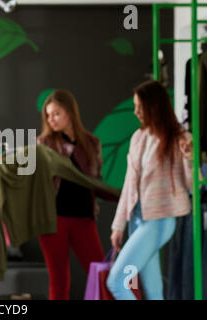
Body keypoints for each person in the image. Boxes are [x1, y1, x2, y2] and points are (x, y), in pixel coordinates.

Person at [107, 80, 194, 300]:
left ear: (154, 106)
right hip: (137, 220)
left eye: (140, 106)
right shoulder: (138, 138)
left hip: (159, 222)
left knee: (116, 282)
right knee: (154, 292)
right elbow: (129, 185)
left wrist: (189, 158)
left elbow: (193, 184)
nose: (135, 111)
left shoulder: (180, 139)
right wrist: (118, 225)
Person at [37, 89, 113, 300]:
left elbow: (96, 183)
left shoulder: (91, 143)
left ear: (70, 112)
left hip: (83, 219)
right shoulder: (43, 144)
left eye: (56, 114)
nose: (51, 120)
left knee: (99, 275)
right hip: (53, 221)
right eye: (48, 116)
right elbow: (32, 181)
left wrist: (122, 196)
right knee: (59, 280)